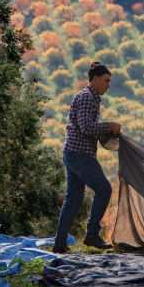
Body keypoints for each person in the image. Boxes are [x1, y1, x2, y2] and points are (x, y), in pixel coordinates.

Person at [52, 62, 121, 253]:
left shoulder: (91, 99)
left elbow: (88, 128)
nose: (108, 85)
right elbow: (86, 127)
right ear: (95, 79)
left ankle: (59, 244)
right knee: (104, 189)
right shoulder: (86, 97)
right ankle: (92, 235)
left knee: (73, 200)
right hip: (79, 154)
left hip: (73, 153)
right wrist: (109, 125)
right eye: (106, 81)